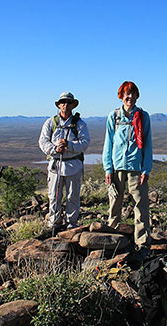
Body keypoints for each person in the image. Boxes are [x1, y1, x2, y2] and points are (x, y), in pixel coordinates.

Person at [102, 81, 153, 258]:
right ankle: (111, 238)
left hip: (136, 168)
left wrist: (146, 169)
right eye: (126, 94)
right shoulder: (113, 116)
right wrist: (108, 168)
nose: (129, 97)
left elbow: (147, 145)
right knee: (114, 203)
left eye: (132, 94)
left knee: (140, 205)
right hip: (117, 167)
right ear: (121, 96)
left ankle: (142, 242)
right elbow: (108, 143)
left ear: (136, 96)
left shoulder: (143, 116)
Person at [39, 92, 90, 230]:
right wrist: (55, 149)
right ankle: (54, 222)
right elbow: (43, 142)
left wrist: (69, 145)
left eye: (68, 102)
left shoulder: (79, 124)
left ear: (73, 105)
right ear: (58, 105)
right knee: (54, 196)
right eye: (63, 102)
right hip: (56, 164)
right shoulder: (51, 123)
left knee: (72, 195)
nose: (65, 105)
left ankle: (71, 223)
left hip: (73, 164)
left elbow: (85, 143)